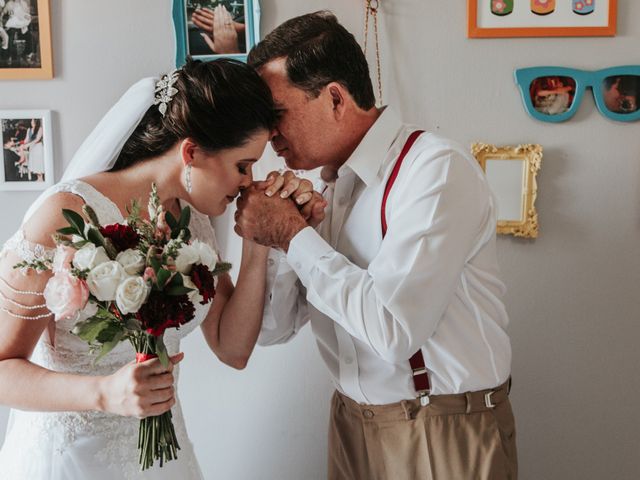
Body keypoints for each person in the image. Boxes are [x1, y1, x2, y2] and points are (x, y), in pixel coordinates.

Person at [0, 58, 317, 479]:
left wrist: (257, 241)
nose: (248, 180)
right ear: (191, 152)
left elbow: (232, 348)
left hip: (163, 460)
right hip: (72, 460)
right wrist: (103, 393)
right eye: (242, 165)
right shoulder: (65, 214)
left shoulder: (194, 222)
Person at [235, 11, 517, 480]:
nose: (269, 136)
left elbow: (393, 329)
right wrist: (274, 242)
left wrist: (292, 234)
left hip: (443, 430)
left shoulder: (436, 170)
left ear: (335, 99)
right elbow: (274, 328)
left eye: (277, 115)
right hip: (350, 426)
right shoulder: (324, 191)